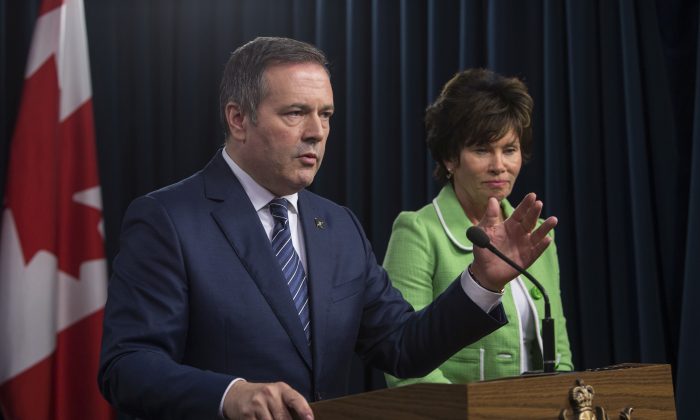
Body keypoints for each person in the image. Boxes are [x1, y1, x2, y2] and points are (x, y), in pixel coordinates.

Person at [98, 38, 557, 420]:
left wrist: (481, 284)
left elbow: (402, 347)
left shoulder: (337, 225)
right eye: (296, 113)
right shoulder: (168, 219)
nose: (317, 132)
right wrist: (230, 394)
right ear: (238, 119)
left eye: (326, 114)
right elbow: (128, 367)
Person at [384, 68, 573, 389]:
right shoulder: (418, 231)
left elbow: (561, 355)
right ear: (449, 158)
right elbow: (406, 364)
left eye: (509, 150)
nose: (499, 165)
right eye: (482, 150)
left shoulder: (539, 235)